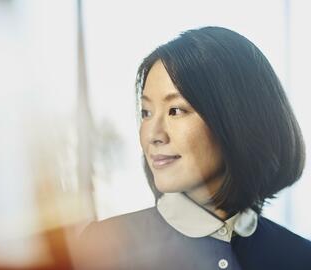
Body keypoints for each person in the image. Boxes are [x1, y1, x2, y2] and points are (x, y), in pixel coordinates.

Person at [78, 26, 311, 270]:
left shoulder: (300, 257)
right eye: (146, 113)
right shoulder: (103, 248)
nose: (153, 135)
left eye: (175, 111)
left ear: (237, 120)